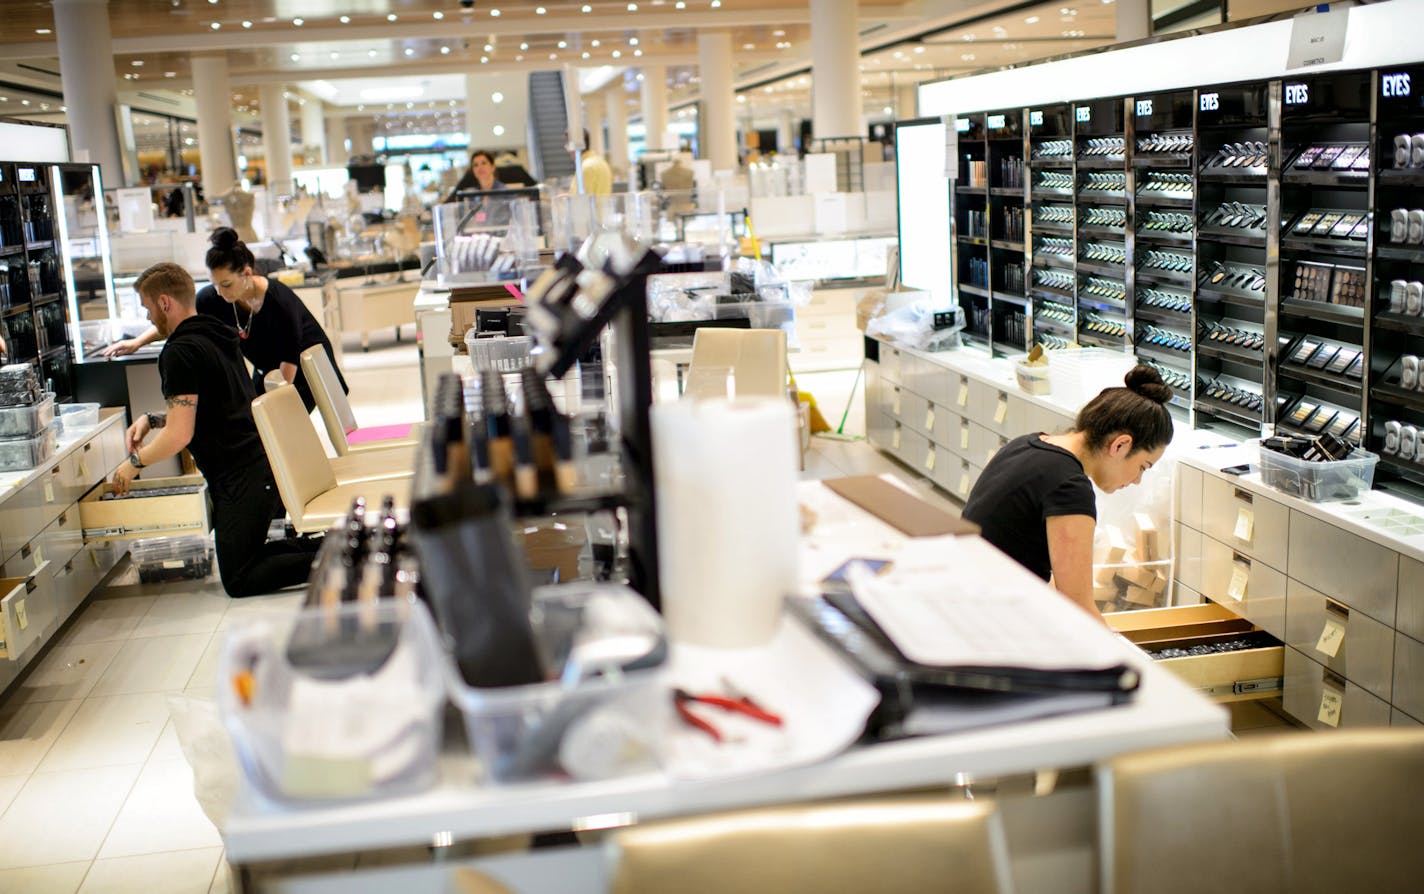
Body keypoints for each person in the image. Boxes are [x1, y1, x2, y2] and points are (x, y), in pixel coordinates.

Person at [112, 262, 320, 598]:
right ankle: (342, 551)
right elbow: (215, 407)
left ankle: (344, 561)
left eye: (148, 307)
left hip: (241, 477)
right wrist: (153, 420)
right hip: (259, 465)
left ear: (165, 303)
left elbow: (181, 436)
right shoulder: (216, 333)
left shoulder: (179, 352)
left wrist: (133, 463)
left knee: (239, 577)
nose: (148, 317)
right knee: (248, 559)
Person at [960, 366, 1174, 620]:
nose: (1137, 480)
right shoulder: (1069, 487)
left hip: (961, 594)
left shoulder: (1027, 444)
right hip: (986, 617)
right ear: (1120, 444)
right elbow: (1077, 605)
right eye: (1142, 467)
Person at [103, 228, 349, 415]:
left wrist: (277, 410)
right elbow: (179, 320)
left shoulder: (279, 302)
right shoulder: (216, 298)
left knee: (280, 425)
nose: (219, 292)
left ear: (247, 273)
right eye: (214, 285)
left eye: (226, 284)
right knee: (259, 425)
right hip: (269, 372)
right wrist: (137, 342)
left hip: (306, 369)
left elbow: (288, 370)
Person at [567, 128, 612, 196]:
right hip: (603, 206)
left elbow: (582, 201)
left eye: (567, 145)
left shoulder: (586, 167)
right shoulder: (601, 161)